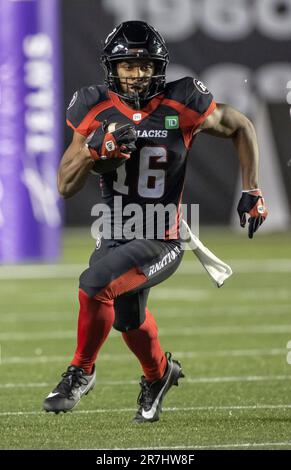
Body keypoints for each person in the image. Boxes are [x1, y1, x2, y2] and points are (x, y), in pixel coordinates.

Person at [43, 21, 268, 422]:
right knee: (129, 320)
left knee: (95, 285)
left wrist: (252, 189)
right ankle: (160, 374)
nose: (136, 73)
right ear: (112, 67)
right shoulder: (94, 106)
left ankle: (80, 371)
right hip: (113, 231)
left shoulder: (182, 101)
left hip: (162, 234)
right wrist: (94, 152)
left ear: (158, 67)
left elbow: (241, 126)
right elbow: (63, 184)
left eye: (145, 64)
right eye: (127, 65)